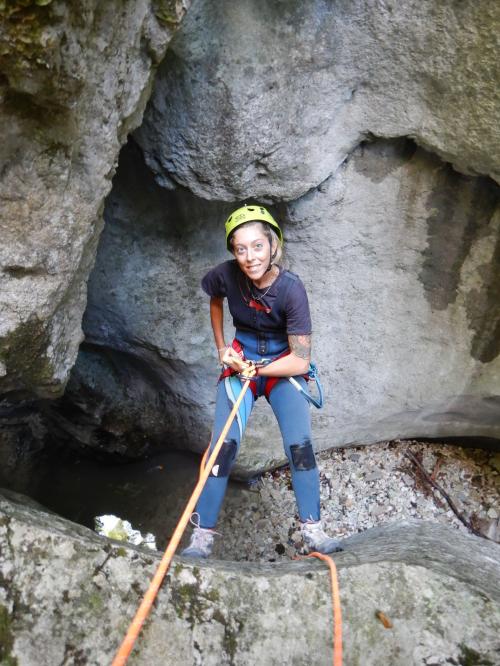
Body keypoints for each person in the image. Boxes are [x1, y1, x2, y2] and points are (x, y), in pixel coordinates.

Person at [182, 204, 341, 558]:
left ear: (273, 247)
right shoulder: (226, 275)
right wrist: (222, 347)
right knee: (222, 448)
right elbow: (215, 298)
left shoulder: (291, 289)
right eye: (241, 248)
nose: (249, 256)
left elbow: (301, 360)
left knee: (300, 447)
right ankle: (202, 537)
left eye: (257, 246)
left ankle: (313, 531)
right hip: (242, 357)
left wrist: (257, 369)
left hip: (281, 367)